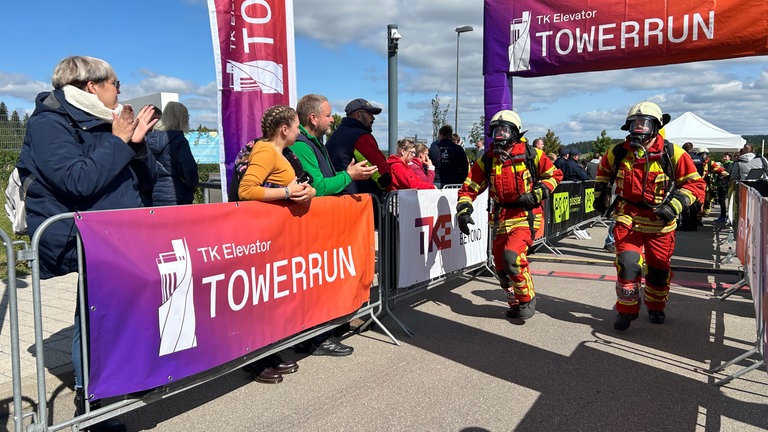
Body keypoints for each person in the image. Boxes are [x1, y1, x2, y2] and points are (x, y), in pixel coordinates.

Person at [16, 55, 160, 431]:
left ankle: (115, 387)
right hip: (86, 237)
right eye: (116, 84)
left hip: (120, 235)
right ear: (92, 86)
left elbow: (142, 182)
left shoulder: (105, 123)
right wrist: (117, 141)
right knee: (96, 316)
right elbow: (78, 180)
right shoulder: (49, 123)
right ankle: (93, 404)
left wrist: (138, 145)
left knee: (116, 314)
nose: (120, 92)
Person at [594, 101, 705, 331]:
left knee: (658, 270)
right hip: (628, 218)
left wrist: (673, 206)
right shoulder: (618, 152)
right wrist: (600, 194)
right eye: (634, 124)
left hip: (660, 223)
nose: (638, 129)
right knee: (627, 264)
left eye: (644, 124)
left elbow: (696, 185)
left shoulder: (673, 154)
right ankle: (626, 309)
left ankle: (656, 305)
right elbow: (603, 172)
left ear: (655, 127)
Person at [456, 110, 562, 320]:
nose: (500, 135)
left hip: (525, 214)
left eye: (504, 130)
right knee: (501, 265)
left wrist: (537, 194)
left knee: (511, 257)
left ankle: (526, 299)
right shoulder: (487, 159)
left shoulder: (533, 154)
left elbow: (554, 175)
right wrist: (463, 209)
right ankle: (514, 302)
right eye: (496, 130)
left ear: (515, 132)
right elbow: (470, 186)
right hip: (500, 216)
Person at [290, 94, 375, 357]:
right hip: (311, 225)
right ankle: (316, 338)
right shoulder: (303, 144)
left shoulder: (314, 141)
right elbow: (316, 187)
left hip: (319, 223)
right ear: (313, 118)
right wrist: (348, 175)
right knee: (315, 284)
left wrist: (343, 174)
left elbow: (324, 179)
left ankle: (320, 333)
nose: (332, 119)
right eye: (328, 115)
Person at [237, 105, 315, 383]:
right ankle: (254, 361)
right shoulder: (266, 150)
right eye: (296, 126)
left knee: (270, 298)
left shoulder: (281, 153)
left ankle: (267, 353)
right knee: (259, 300)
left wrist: (306, 190)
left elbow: (299, 184)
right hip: (260, 236)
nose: (299, 131)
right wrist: (286, 191)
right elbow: (246, 190)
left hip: (276, 237)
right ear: (284, 129)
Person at [326, 98, 391, 196]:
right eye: (370, 114)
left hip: (336, 197)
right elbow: (383, 176)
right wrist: (387, 186)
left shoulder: (335, 135)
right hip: (358, 200)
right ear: (358, 115)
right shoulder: (361, 137)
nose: (373, 118)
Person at [142, 101, 199, 206]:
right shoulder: (179, 140)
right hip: (177, 195)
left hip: (154, 195)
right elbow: (189, 169)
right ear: (181, 119)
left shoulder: (149, 139)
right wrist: (191, 185)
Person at [693, 147, 728, 225]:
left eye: (705, 154)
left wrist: (726, 174)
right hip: (696, 184)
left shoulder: (710, 163)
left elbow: (719, 169)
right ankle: (696, 218)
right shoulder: (694, 162)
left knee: (706, 200)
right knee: (697, 201)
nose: (704, 156)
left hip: (706, 185)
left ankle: (700, 217)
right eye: (702, 154)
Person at [678, 142, 704, 231]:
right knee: (695, 206)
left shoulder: (683, 157)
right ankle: (694, 224)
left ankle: (686, 224)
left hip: (685, 184)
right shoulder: (699, 159)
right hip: (697, 184)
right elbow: (702, 172)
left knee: (685, 205)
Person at [715, 152, 733, 223]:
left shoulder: (729, 164)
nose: (724, 157)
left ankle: (723, 216)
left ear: (729, 157)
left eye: (726, 156)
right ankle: (722, 215)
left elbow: (727, 173)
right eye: (724, 156)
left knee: (722, 201)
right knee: (720, 201)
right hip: (720, 185)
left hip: (724, 185)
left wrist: (721, 172)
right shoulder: (724, 164)